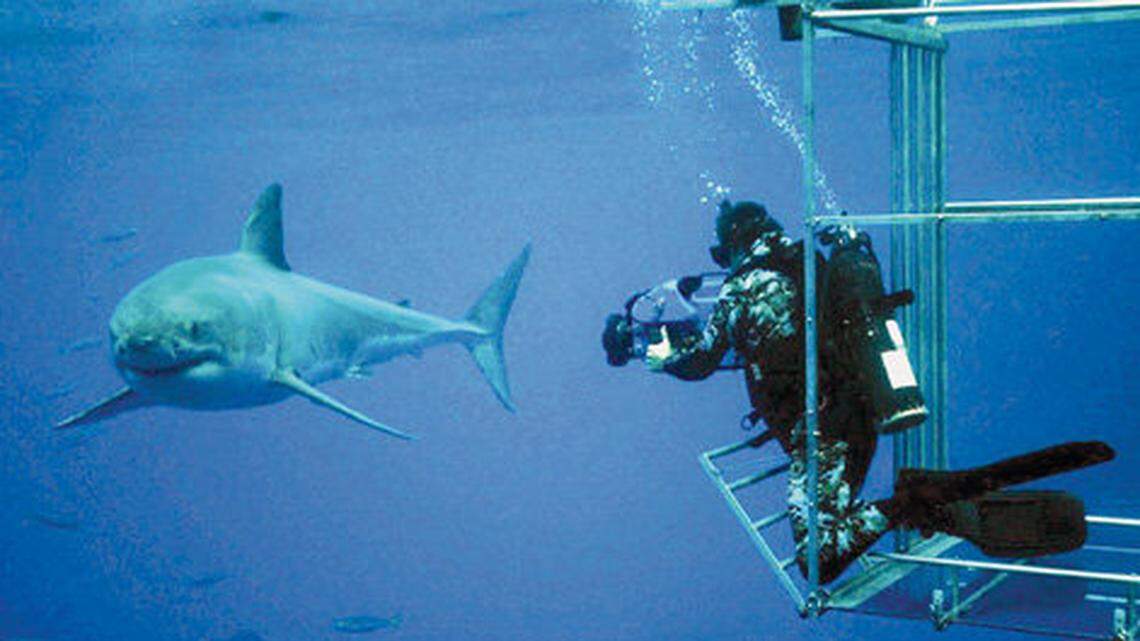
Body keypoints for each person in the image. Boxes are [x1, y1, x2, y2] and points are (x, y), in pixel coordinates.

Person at [604, 199, 1113, 584]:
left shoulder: (741, 290)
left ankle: (914, 503)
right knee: (835, 520)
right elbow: (772, 342)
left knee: (816, 560)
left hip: (822, 435)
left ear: (732, 247)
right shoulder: (808, 262)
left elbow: (702, 361)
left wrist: (657, 359)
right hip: (862, 416)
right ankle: (924, 505)